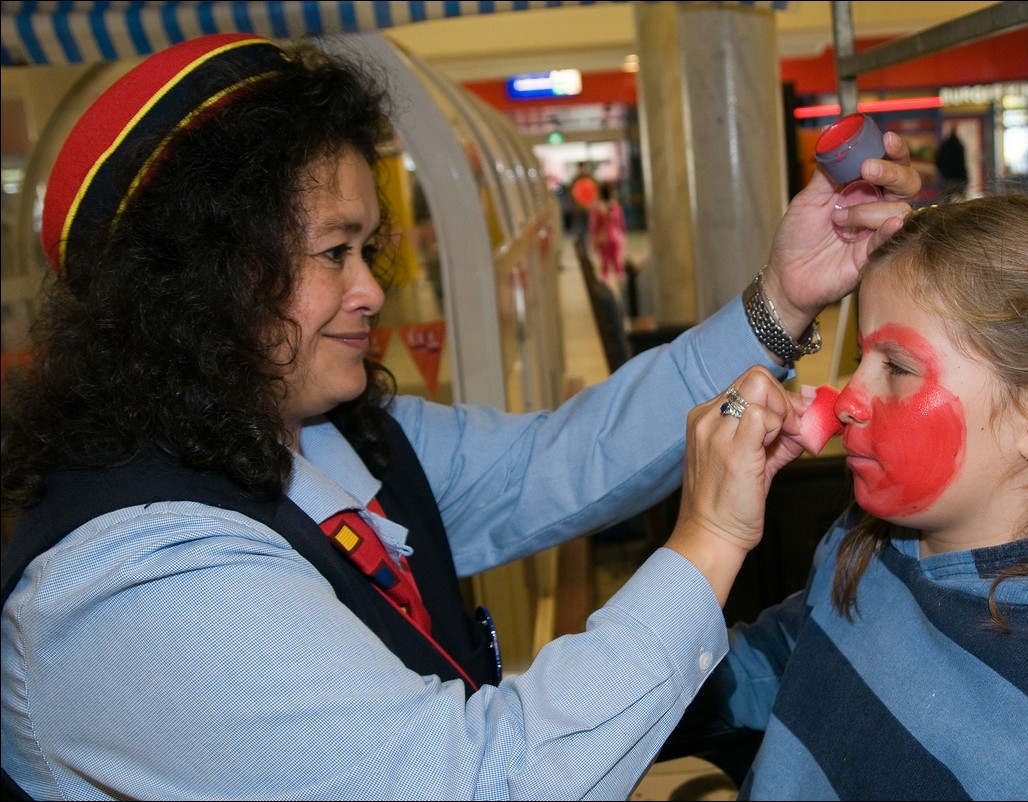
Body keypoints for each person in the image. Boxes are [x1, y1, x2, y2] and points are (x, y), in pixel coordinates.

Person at [0, 33, 920, 800]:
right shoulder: (135, 575)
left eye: (371, 247)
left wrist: (783, 300)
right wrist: (712, 537)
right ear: (199, 278)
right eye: (334, 252)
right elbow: (479, 782)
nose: (371, 290)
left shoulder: (318, 434)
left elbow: (563, 458)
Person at [674, 193, 1028, 799]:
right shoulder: (868, 541)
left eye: (896, 367)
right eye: (858, 358)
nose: (848, 399)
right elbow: (786, 660)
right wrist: (648, 686)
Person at [589, 182, 627, 286]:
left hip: (603, 239)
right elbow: (621, 224)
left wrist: (593, 241)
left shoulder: (597, 208)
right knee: (617, 263)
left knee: (604, 264)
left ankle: (607, 286)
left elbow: (594, 227)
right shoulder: (616, 207)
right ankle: (623, 286)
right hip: (616, 237)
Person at [935, 126, 969, 202]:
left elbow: (938, 161)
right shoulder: (959, 146)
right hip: (959, 178)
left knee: (946, 202)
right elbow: (962, 163)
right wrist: (965, 178)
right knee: (963, 202)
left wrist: (944, 172)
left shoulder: (944, 147)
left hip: (947, 179)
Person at [567, 161, 599, 242]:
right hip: (579, 209)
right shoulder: (576, 180)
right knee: (581, 229)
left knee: (591, 228)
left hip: (590, 208)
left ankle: (589, 243)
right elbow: (571, 194)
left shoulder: (590, 178)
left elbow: (595, 192)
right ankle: (583, 244)